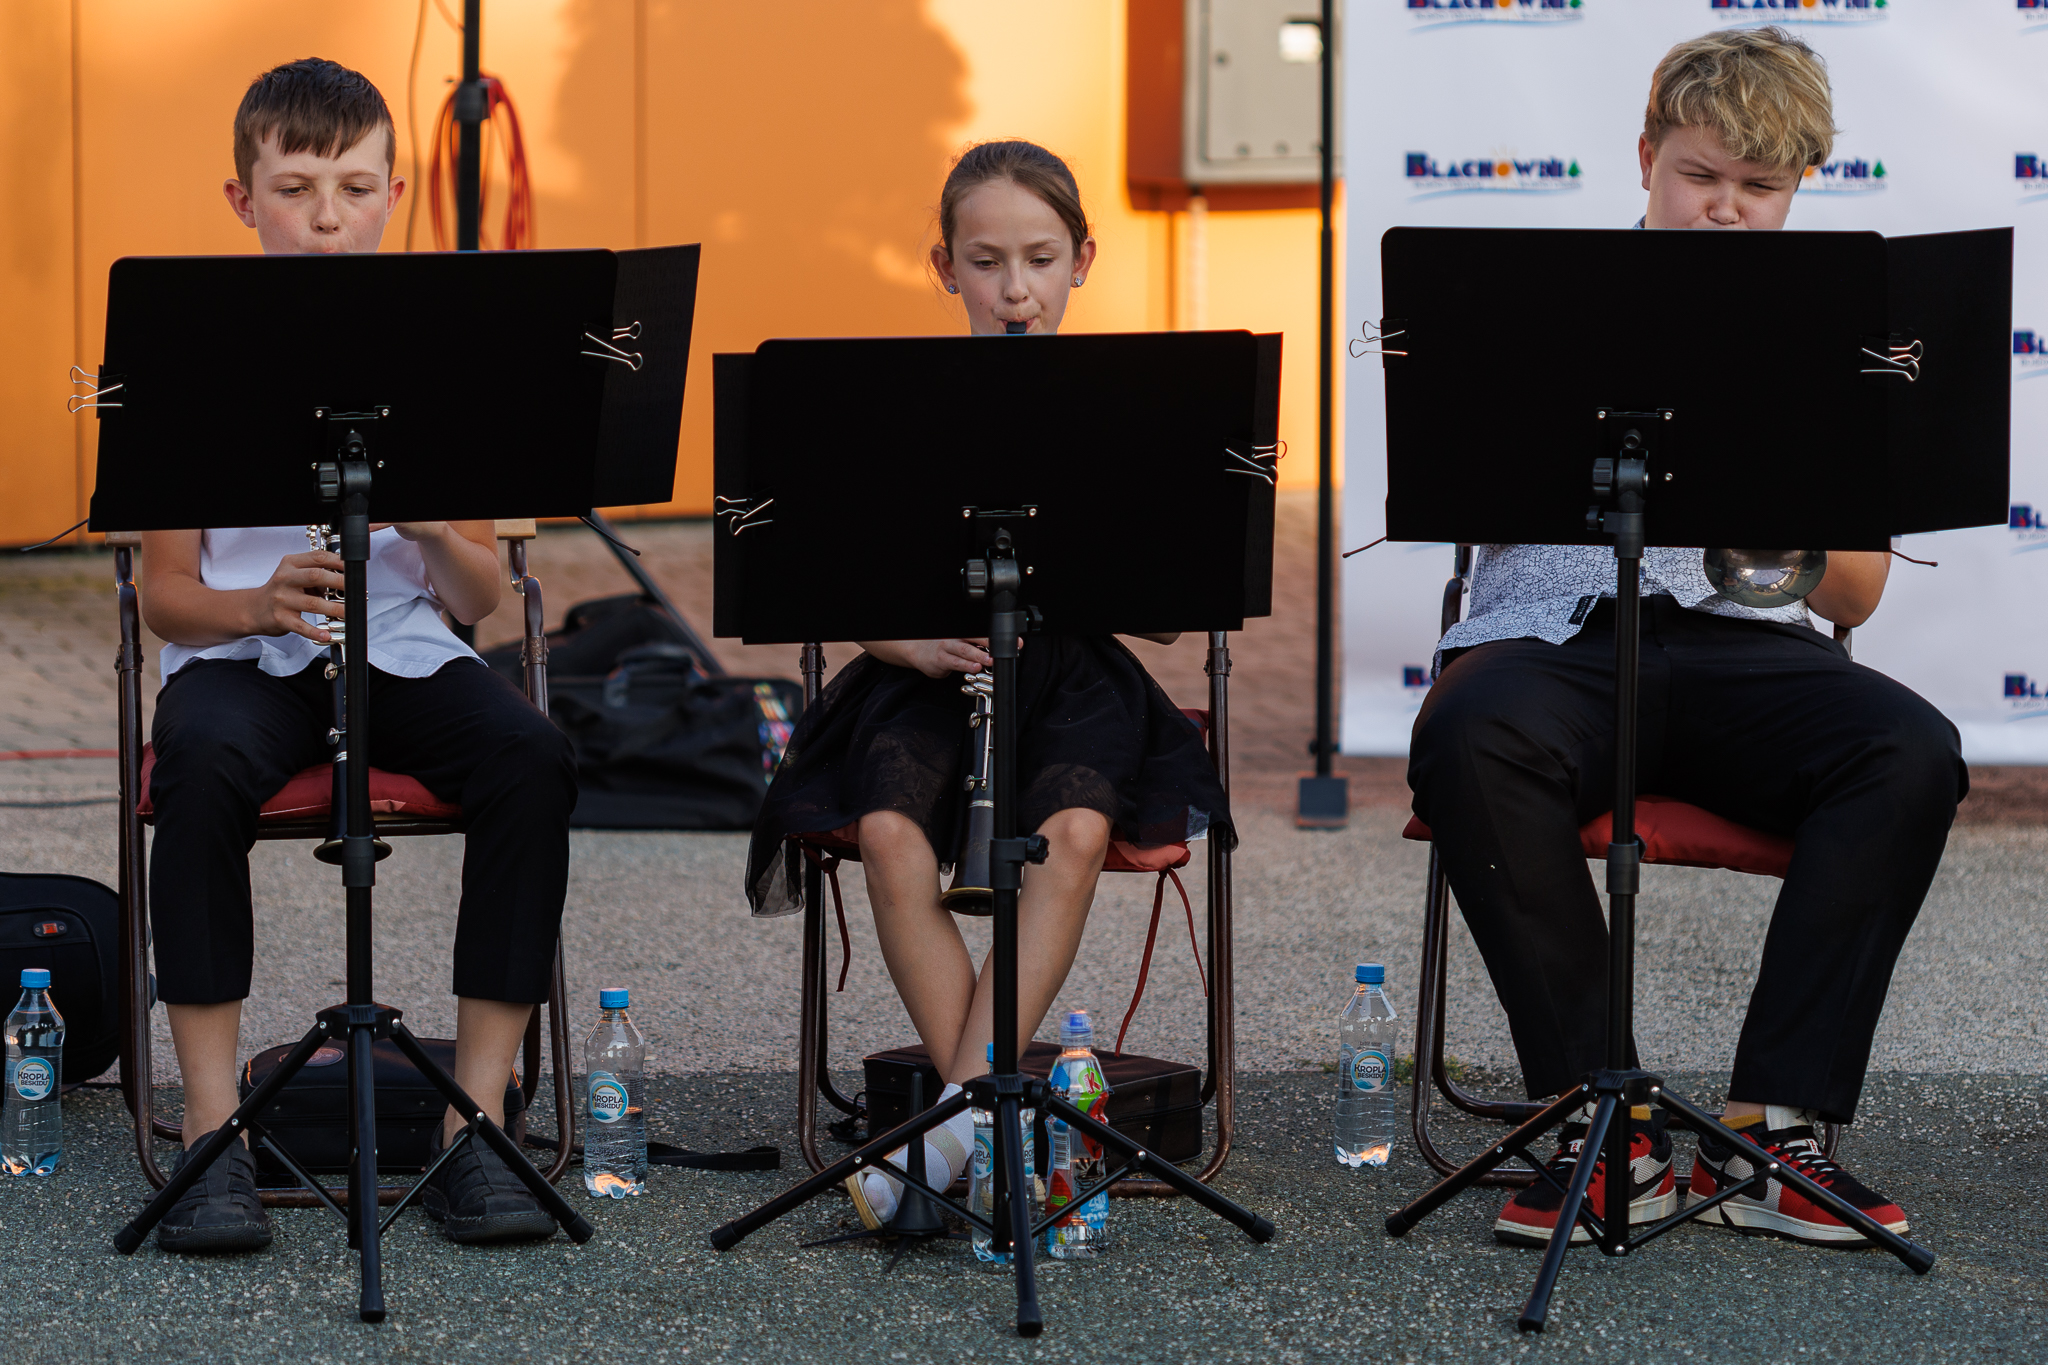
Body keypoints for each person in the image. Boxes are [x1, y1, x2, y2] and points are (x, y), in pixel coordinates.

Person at [1407, 28, 1963, 1250]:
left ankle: (1773, 1130)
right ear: (1643, 157)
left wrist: (1774, 459)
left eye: (1756, 188)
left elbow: (1854, 598)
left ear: (1798, 187)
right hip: (1551, 636)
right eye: (1698, 176)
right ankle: (1597, 1119)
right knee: (1466, 733)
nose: (1723, 209)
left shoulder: (1841, 336)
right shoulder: (1530, 308)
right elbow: (1456, 488)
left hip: (1739, 643)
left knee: (1909, 750)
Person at [743, 140, 1232, 1231]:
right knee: (887, 832)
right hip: (926, 669)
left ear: (1082, 261)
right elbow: (820, 576)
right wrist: (905, 643)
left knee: (1073, 833)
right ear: (943, 266)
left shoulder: (1125, 403)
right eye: (986, 262)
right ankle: (985, 1126)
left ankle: (952, 1131)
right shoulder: (893, 406)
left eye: (1041, 261)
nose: (1016, 290)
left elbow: (1168, 609)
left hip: (1071, 676)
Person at [137, 58, 577, 1253]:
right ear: (243, 200)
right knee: (201, 768)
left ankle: (475, 1126)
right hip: (245, 656)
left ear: (395, 193)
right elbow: (165, 599)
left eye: (354, 188)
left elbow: (481, 595)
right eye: (294, 190)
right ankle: (212, 1134)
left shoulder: (447, 352)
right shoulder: (185, 352)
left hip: (403, 649)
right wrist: (256, 602)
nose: (326, 217)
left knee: (529, 757)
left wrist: (431, 525)